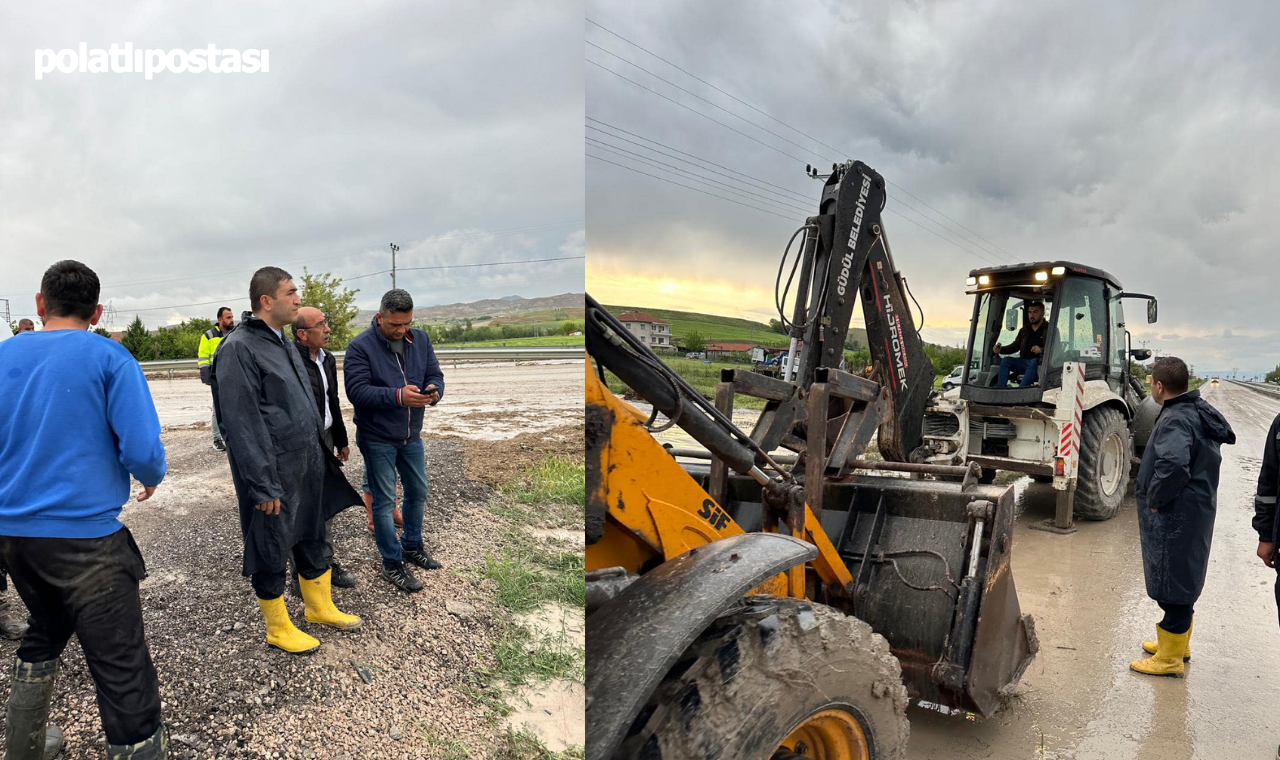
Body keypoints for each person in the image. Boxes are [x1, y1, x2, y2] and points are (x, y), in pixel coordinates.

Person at [0, 260, 169, 758]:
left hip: (12, 538)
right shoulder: (109, 358)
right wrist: (151, 478)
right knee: (121, 663)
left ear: (38, 304)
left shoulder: (3, 356)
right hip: (86, 541)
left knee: (46, 630)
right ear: (96, 311)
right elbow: (141, 448)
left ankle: (23, 748)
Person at [211, 267, 362, 655]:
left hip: (308, 463)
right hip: (273, 471)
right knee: (270, 543)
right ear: (267, 300)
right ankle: (278, 627)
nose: (298, 299)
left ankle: (319, 607)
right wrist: (261, 484)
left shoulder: (283, 343)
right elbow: (241, 423)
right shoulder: (239, 348)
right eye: (292, 292)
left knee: (313, 532)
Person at [1131, 356, 1235, 677]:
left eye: (1151, 382)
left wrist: (1156, 499)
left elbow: (1174, 465)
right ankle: (1177, 644)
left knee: (1172, 581)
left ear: (1159, 386)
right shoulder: (1194, 411)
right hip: (1194, 510)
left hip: (1176, 514)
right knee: (1183, 576)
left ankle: (1169, 658)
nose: (1150, 386)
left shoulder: (1176, 419)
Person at [344, 288, 444, 593]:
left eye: (406, 324)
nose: (401, 330)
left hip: (411, 435)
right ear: (379, 317)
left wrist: (434, 390)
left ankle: (411, 544)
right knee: (385, 502)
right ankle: (391, 562)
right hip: (377, 438)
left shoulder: (421, 339)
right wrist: (399, 396)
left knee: (418, 491)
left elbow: (436, 374)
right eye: (394, 325)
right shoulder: (360, 347)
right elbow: (356, 392)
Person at [289, 306, 357, 592]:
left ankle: (324, 563)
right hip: (300, 443)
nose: (328, 329)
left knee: (324, 502)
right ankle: (299, 573)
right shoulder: (290, 360)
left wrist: (340, 439)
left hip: (326, 437)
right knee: (300, 507)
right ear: (302, 334)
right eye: (321, 325)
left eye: (326, 323)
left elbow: (332, 400)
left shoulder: (327, 359)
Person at [198, 307, 235, 451]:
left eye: (232, 317)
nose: (231, 320)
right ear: (220, 320)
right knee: (217, 407)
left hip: (234, 376)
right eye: (228, 318)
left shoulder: (236, 333)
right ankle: (217, 438)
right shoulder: (209, 335)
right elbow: (203, 357)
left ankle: (233, 436)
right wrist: (207, 377)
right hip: (217, 377)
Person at [993, 301, 1048, 388]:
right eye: (1030, 312)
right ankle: (1001, 390)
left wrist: (1041, 350)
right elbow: (1015, 346)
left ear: (1043, 313)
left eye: (1035, 312)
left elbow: (1056, 349)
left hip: (1040, 364)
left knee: (1033, 361)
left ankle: (1020, 391)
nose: (1032, 315)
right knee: (1006, 361)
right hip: (1023, 362)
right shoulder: (1024, 330)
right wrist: (1001, 350)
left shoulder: (1050, 329)